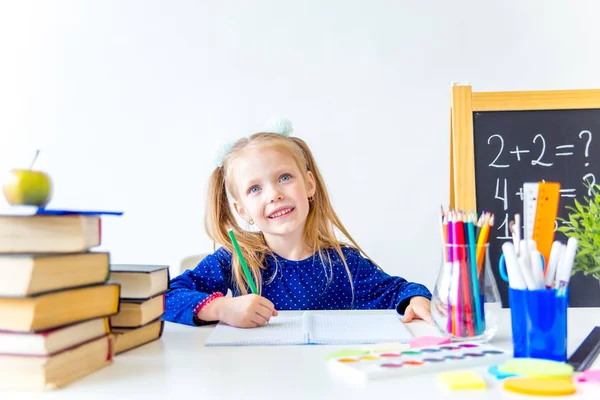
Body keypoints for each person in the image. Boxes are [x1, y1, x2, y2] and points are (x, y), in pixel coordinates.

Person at [164, 118, 432, 328]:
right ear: (241, 210)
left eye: (283, 178)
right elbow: (167, 297)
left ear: (309, 184)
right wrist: (222, 309)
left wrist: (416, 299)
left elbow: (400, 290)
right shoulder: (235, 260)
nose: (274, 194)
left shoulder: (344, 264)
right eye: (255, 189)